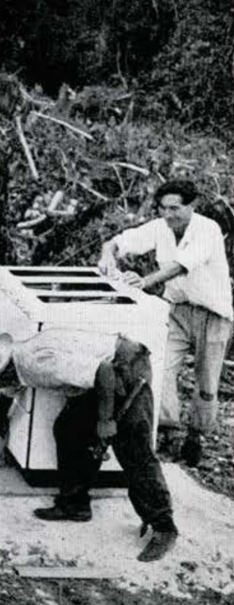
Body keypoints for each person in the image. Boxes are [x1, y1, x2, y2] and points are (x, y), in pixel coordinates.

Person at [0, 331, 178, 563]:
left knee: (134, 449)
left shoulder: (37, 364)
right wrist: (1, 421)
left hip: (125, 370)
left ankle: (164, 526)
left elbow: (104, 372)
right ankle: (74, 504)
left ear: (3, 372)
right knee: (69, 429)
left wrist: (105, 420)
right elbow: (8, 393)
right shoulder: (17, 359)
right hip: (101, 376)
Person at [97, 179, 233, 466]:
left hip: (213, 313)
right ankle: (168, 430)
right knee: (161, 369)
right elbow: (122, 241)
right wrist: (108, 254)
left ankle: (197, 436)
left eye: (175, 208)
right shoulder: (161, 227)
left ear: (191, 206)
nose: (169, 215)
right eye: (163, 209)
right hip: (177, 310)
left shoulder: (207, 230)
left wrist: (144, 282)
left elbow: (180, 265)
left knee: (207, 381)